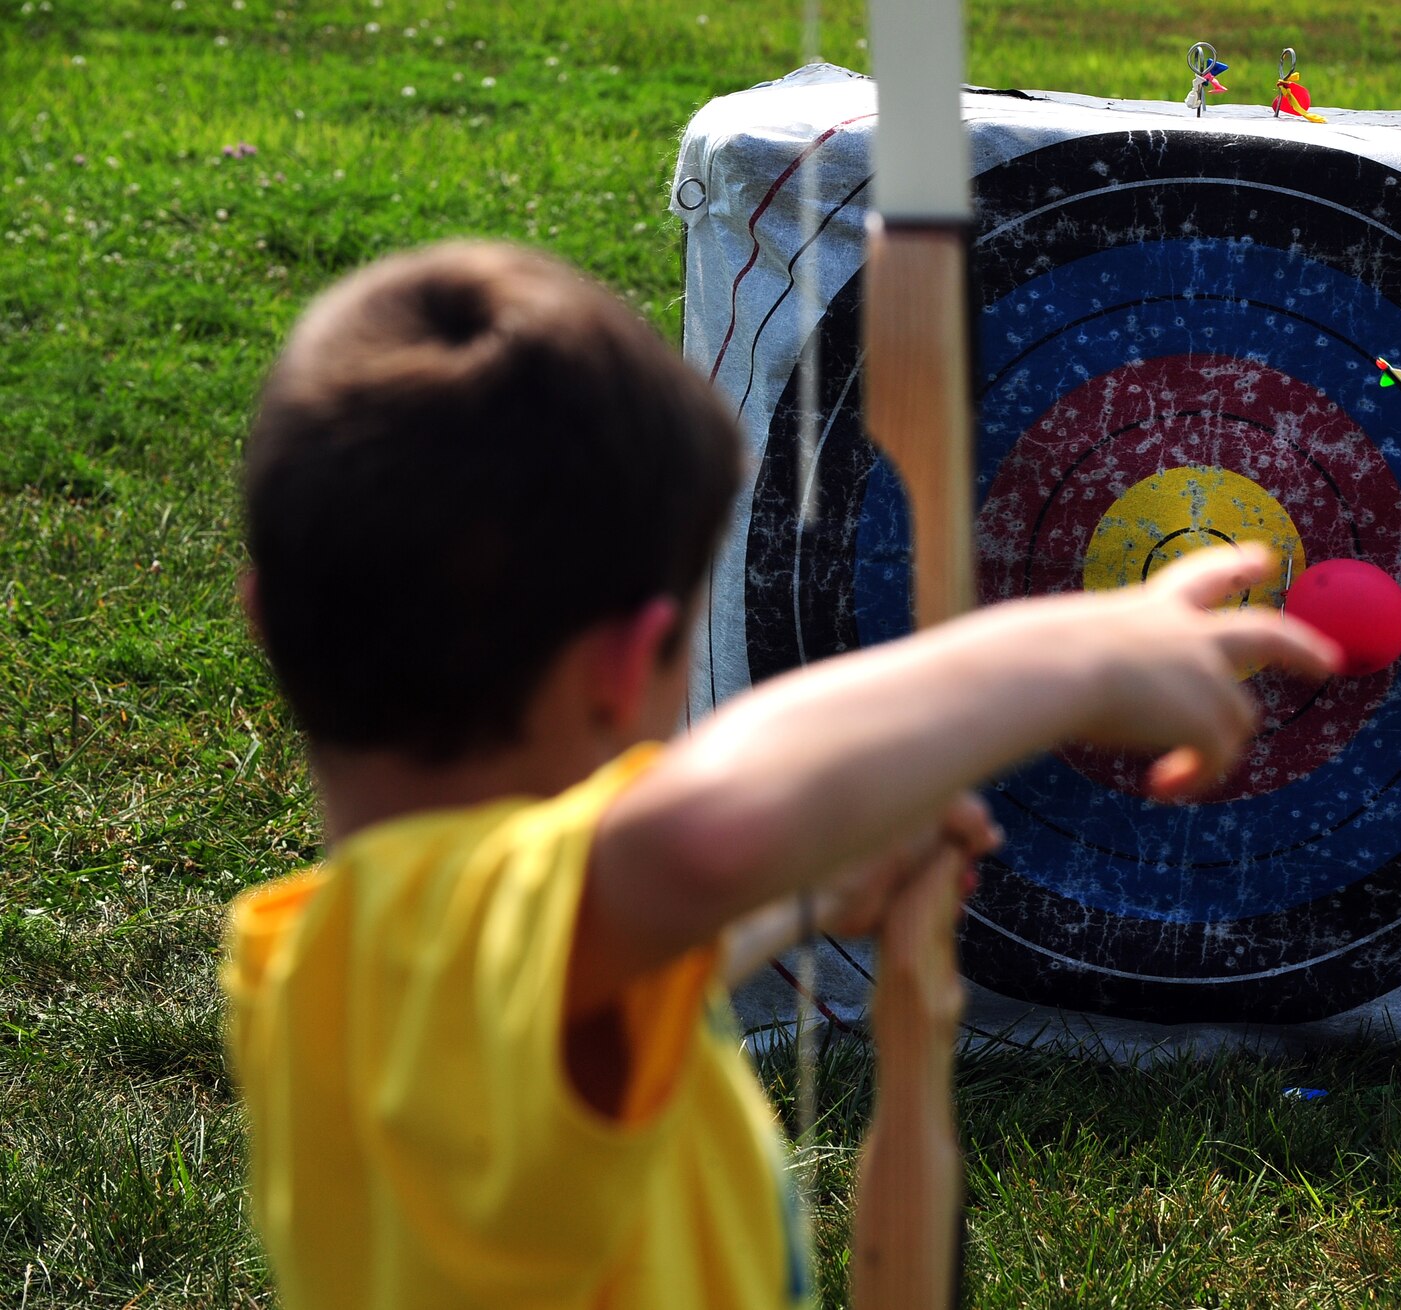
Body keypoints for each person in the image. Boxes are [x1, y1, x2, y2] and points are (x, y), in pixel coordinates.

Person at [219, 241, 1335, 1310]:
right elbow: (698, 837)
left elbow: (628, 923)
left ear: (263, 617)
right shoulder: (457, 926)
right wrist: (1076, 651)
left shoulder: (319, 959)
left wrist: (788, 900)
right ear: (624, 667)